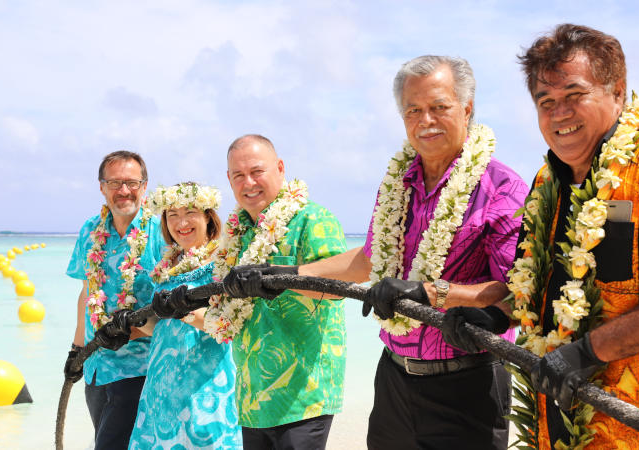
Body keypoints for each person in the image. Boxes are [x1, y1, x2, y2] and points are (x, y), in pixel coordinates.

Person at [444, 24, 639, 449]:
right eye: (546, 101)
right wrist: (491, 318)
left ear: (617, 92)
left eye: (574, 95)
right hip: (557, 420)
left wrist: (587, 352)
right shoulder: (546, 183)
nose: (559, 112)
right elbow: (536, 292)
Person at [226, 56, 528, 449]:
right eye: (413, 110)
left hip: (466, 383)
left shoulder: (503, 187)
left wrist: (431, 292)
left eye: (439, 107)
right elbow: (367, 260)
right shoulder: (398, 183)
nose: (426, 120)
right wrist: (280, 274)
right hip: (393, 380)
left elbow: (515, 293)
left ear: (466, 108)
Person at [156, 135, 348, 450]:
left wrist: (281, 277)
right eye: (238, 175)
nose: (249, 183)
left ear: (281, 168)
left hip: (303, 394)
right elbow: (229, 319)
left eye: (257, 171)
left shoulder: (312, 218)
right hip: (251, 398)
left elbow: (339, 290)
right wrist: (180, 309)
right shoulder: (238, 234)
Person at [126, 182, 242, 449]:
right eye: (172, 214)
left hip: (204, 386)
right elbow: (162, 329)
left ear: (207, 216)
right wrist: (136, 323)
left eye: (190, 212)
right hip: (161, 385)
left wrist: (185, 312)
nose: (182, 222)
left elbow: (228, 326)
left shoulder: (222, 260)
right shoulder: (167, 265)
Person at [63, 150, 166, 449]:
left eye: (132, 183)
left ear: (145, 186)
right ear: (102, 187)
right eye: (115, 182)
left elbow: (175, 303)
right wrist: (76, 350)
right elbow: (86, 293)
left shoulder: (162, 232)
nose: (124, 191)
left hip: (142, 369)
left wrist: (132, 329)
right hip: (97, 368)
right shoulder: (89, 230)